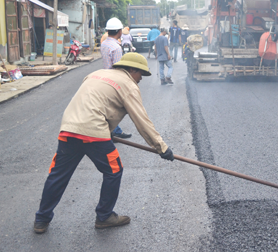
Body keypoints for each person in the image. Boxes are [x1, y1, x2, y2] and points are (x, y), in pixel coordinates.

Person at [33, 52, 175, 234]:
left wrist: (105, 131)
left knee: (58, 175)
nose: (141, 79)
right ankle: (104, 216)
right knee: (114, 170)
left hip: (68, 129)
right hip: (93, 132)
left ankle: (41, 220)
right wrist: (161, 147)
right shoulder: (128, 85)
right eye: (141, 74)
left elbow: (93, 103)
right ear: (131, 70)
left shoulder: (95, 74)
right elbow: (141, 120)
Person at [101, 18, 131, 139]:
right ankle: (114, 131)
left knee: (109, 106)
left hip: (105, 76)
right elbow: (118, 68)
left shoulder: (104, 44)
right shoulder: (116, 48)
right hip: (113, 80)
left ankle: (114, 130)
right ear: (119, 32)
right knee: (116, 107)